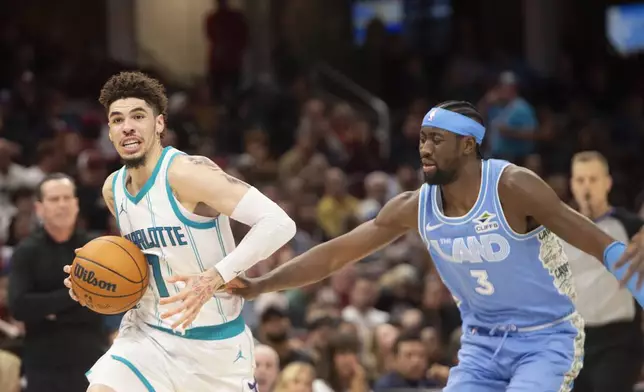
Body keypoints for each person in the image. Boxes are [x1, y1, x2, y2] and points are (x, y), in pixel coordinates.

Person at [229, 100, 644, 392]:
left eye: (436, 139)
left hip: (545, 339)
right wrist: (262, 284)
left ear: (468, 145)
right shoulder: (415, 206)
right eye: (423, 138)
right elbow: (335, 254)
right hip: (481, 343)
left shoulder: (513, 187)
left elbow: (603, 247)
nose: (424, 148)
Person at [63, 71, 296, 392]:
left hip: (216, 346)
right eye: (117, 120)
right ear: (110, 131)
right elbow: (139, 265)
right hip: (148, 335)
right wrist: (91, 282)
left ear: (159, 124)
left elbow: (279, 223)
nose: (127, 125)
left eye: (138, 116)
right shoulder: (112, 189)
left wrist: (215, 276)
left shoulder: (189, 174)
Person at [8, 174, 106, 392]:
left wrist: (50, 311)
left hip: (92, 357)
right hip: (44, 363)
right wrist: (77, 295)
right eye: (54, 199)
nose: (62, 205)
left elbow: (104, 305)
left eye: (66, 198)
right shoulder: (26, 251)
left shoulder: (96, 248)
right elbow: (19, 306)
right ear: (39, 208)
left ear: (76, 204)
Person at [565, 151, 643, 392]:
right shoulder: (560, 227)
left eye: (593, 179)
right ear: (572, 184)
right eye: (580, 180)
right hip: (572, 341)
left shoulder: (631, 227)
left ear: (607, 183)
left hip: (618, 340)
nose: (587, 186)